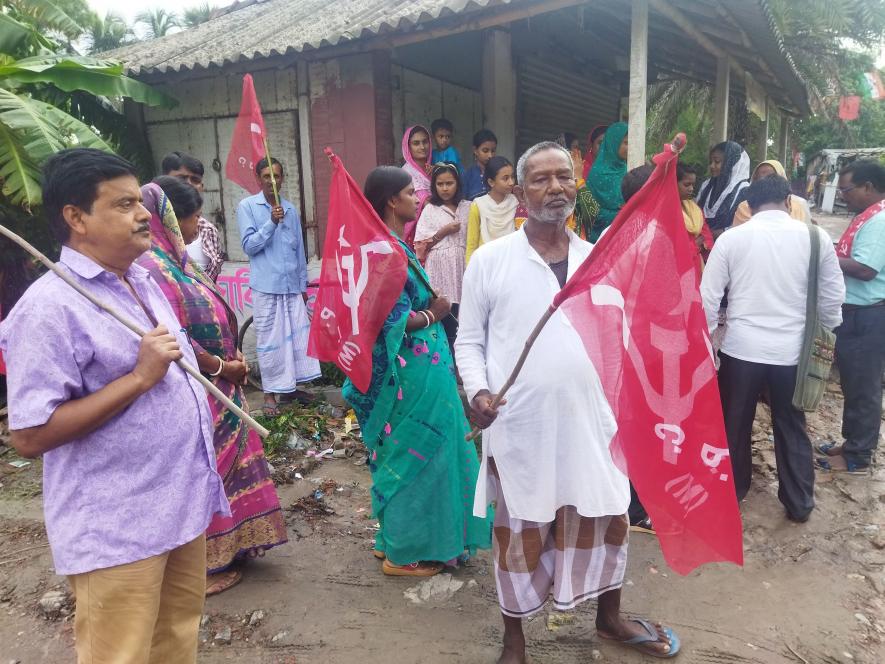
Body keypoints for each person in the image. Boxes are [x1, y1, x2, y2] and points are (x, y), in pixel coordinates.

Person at [0, 148, 229, 663]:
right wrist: (138, 379)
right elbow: (30, 435)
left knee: (175, 642)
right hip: (118, 527)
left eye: (139, 202)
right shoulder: (49, 307)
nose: (145, 212)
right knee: (120, 655)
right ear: (76, 218)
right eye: (124, 204)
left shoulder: (143, 279)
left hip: (178, 506)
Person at [457, 141, 680, 662]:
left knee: (607, 518)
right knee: (519, 534)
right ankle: (514, 640)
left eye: (564, 177)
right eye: (541, 179)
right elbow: (468, 341)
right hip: (521, 425)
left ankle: (608, 618)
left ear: (577, 186)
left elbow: (626, 336)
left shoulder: (598, 261)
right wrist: (478, 392)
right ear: (518, 191)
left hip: (595, 424)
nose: (555, 187)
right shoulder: (490, 261)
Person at [138, 176, 288, 597]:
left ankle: (236, 545)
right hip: (197, 386)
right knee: (208, 471)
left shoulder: (178, 261)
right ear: (167, 218)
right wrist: (222, 365)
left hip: (222, 381)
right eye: (193, 215)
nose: (198, 222)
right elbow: (173, 335)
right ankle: (205, 562)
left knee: (231, 469)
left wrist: (231, 365)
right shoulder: (151, 268)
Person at [346, 165, 491, 577]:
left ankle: (393, 537)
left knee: (409, 453)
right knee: (420, 456)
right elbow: (389, 319)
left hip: (420, 369)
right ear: (393, 200)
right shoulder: (386, 251)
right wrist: (435, 312)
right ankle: (405, 553)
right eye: (412, 192)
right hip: (410, 374)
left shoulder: (390, 244)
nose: (418, 199)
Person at [700, 175, 844, 522]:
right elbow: (832, 298)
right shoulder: (815, 237)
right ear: (788, 200)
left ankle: (732, 495)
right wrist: (826, 338)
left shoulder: (732, 240)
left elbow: (707, 299)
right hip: (792, 352)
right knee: (791, 424)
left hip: (740, 350)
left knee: (735, 424)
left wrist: (708, 349)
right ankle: (799, 502)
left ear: (747, 205)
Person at [236, 157, 320, 416]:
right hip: (267, 287)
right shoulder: (247, 206)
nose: (273, 181)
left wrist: (302, 288)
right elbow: (250, 246)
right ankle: (269, 394)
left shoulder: (291, 210)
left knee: (295, 340)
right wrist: (271, 222)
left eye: (277, 176)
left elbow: (299, 253)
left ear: (283, 178)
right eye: (266, 176)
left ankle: (290, 389)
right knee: (271, 341)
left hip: (291, 288)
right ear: (258, 179)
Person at [817, 160, 885, 474]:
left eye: (847, 189)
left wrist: (824, 253)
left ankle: (858, 456)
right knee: (853, 383)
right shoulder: (866, 217)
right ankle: (853, 442)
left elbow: (865, 269)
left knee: (864, 387)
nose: (844, 195)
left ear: (868, 187)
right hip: (856, 313)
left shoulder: (879, 220)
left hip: (867, 315)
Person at [414, 162, 471, 351]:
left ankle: (462, 363)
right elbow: (420, 246)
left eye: (449, 183)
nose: (445, 188)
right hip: (439, 269)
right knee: (444, 315)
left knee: (465, 315)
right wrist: (444, 231)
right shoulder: (430, 210)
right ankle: (446, 361)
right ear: (434, 186)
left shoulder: (469, 207)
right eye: (440, 184)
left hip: (462, 266)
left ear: (458, 184)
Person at [161, 151, 224, 281]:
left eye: (194, 180)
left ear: (201, 187)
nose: (188, 184)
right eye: (181, 179)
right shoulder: (149, 228)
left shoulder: (209, 231)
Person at [465, 156, 520, 264]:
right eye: (505, 178)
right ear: (491, 182)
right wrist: (470, 269)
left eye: (512, 177)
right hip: (485, 263)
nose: (511, 182)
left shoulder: (516, 203)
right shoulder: (478, 205)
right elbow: (472, 243)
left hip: (509, 262)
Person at [732, 159, 811, 225]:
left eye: (770, 177)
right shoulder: (745, 206)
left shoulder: (800, 203)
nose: (764, 181)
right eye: (759, 177)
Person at [586, 121, 628, 242]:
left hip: (625, 235)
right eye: (625, 143)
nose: (629, 147)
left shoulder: (627, 168)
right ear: (613, 143)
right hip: (600, 238)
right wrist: (622, 214)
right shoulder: (597, 173)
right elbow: (590, 211)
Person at [696, 141, 750, 236]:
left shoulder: (744, 190)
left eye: (717, 162)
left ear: (730, 163)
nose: (712, 166)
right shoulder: (706, 186)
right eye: (710, 162)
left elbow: (745, 225)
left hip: (729, 246)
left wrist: (716, 234)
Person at [676, 162, 714, 271]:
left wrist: (699, 244)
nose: (691, 189)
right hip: (677, 267)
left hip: (696, 264)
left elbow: (707, 236)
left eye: (693, 185)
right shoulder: (664, 209)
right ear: (672, 183)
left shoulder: (694, 208)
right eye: (687, 185)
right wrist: (696, 244)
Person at [400, 125, 433, 247]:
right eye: (416, 143)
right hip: (415, 232)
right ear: (408, 147)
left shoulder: (434, 170)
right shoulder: (405, 173)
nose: (422, 147)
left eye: (425, 142)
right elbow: (424, 202)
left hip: (434, 229)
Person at [463, 128, 498, 201]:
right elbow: (463, 202)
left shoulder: (499, 173)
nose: (490, 155)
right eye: (485, 151)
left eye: (493, 151)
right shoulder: (468, 175)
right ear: (475, 150)